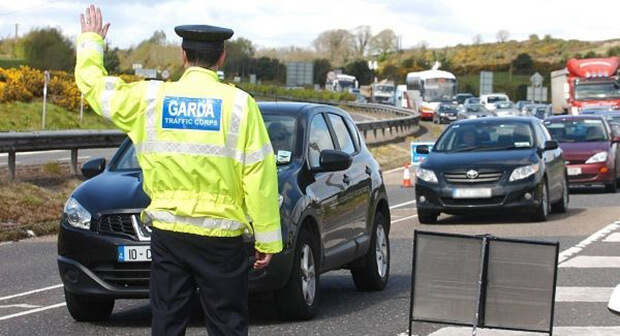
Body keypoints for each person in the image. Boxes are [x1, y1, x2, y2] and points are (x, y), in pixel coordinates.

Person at [75, 5, 282, 336]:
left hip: (169, 234)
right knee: (227, 324)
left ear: (183, 56)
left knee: (168, 323)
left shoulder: (152, 98)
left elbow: (97, 90)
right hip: (221, 238)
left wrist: (90, 42)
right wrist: (268, 240)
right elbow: (260, 175)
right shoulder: (240, 105)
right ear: (222, 57)